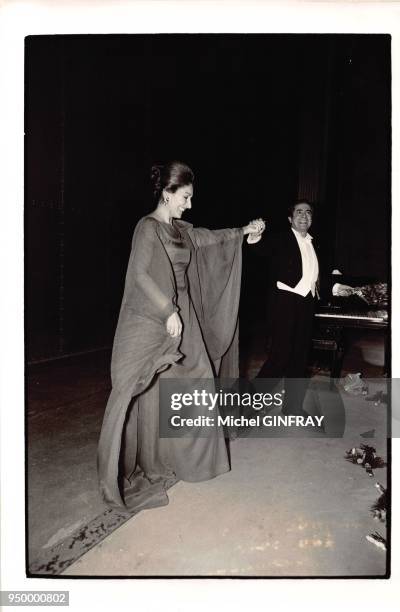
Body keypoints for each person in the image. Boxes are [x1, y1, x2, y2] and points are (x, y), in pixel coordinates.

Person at [97, 161, 265, 512]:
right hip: (157, 316)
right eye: (185, 197)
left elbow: (207, 239)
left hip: (182, 311)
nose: (189, 204)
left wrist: (243, 232)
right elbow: (140, 274)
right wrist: (166, 310)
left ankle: (194, 462)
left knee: (197, 379)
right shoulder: (148, 228)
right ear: (167, 192)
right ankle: (148, 463)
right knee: (146, 390)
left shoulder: (179, 230)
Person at [255, 200, 319, 416]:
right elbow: (260, 248)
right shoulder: (282, 239)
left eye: (308, 212)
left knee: (299, 357)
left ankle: (292, 408)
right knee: (279, 357)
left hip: (306, 302)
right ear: (290, 219)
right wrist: (255, 235)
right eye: (299, 212)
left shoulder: (313, 242)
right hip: (284, 301)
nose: (304, 216)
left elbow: (316, 272)